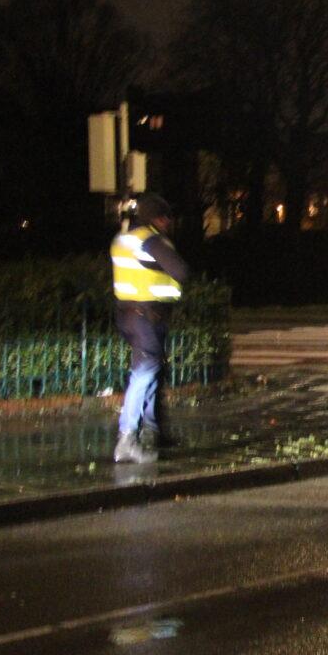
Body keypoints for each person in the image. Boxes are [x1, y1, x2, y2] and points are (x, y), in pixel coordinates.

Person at [110, 193, 189, 463]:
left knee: (151, 371)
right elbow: (181, 271)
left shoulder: (123, 239)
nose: (168, 221)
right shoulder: (150, 240)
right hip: (147, 316)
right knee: (144, 373)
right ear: (157, 218)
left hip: (128, 314)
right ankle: (128, 438)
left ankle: (151, 432)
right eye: (165, 216)